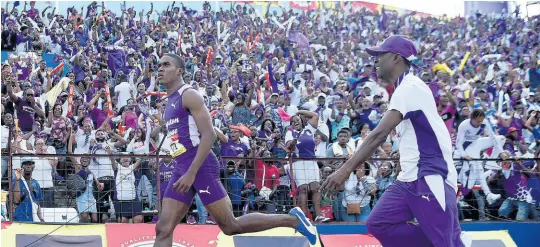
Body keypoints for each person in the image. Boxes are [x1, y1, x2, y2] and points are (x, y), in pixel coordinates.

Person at [320, 35, 471, 247]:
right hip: (409, 177)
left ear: (395, 58)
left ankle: (451, 241)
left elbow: (379, 134)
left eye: (380, 55)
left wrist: (344, 171)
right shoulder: (404, 89)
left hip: (430, 174)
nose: (375, 60)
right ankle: (450, 240)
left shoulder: (410, 87)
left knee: (446, 243)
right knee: (378, 223)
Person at [154, 54, 317, 247]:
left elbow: (209, 135)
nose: (160, 69)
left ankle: (293, 220)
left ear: (180, 70)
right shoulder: (169, 102)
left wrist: (191, 172)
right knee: (163, 228)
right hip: (182, 168)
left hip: (199, 167)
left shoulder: (189, 95)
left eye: (166, 65)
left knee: (231, 226)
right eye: (159, 65)